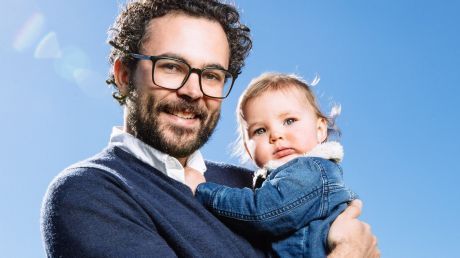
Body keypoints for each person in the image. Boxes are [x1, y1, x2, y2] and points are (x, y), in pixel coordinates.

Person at [40, 0, 379, 257]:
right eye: (171, 67)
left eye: (212, 75)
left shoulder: (253, 184)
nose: (193, 90)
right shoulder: (89, 192)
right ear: (125, 75)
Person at [185, 73, 358, 257]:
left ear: (320, 129)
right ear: (249, 150)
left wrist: (202, 190)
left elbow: (263, 212)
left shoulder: (312, 170)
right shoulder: (272, 180)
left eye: (289, 121)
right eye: (260, 130)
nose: (275, 134)